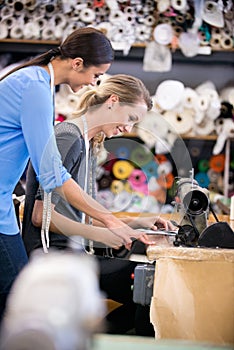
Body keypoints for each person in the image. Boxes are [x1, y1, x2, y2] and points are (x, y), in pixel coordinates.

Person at [0, 27, 153, 323]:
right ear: (77, 63)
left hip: (4, 206)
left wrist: (119, 223)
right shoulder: (34, 87)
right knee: (16, 305)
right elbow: (51, 173)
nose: (94, 83)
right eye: (96, 75)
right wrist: (110, 223)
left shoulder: (40, 85)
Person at [22, 74, 176, 335]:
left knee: (152, 285)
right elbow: (41, 217)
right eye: (130, 119)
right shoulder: (67, 138)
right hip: (54, 258)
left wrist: (136, 222)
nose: (128, 130)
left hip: (73, 252)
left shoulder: (86, 142)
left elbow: (80, 217)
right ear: (113, 101)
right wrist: (106, 233)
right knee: (151, 285)